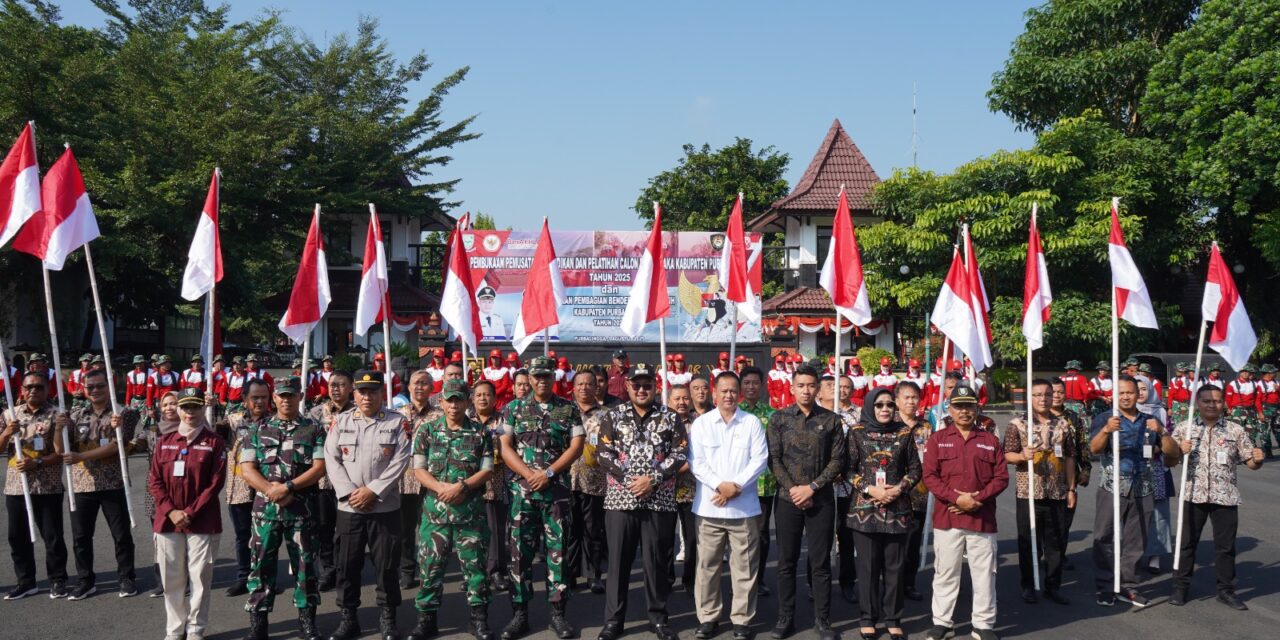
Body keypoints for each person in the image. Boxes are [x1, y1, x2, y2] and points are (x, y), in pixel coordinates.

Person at [594, 363, 688, 640]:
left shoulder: (670, 417)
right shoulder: (614, 416)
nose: (642, 389)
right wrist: (631, 480)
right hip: (621, 501)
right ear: (628, 386)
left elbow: (680, 453)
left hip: (659, 500)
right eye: (637, 384)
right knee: (618, 563)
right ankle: (613, 621)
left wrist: (652, 480)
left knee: (656, 562)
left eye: (647, 384)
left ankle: (658, 619)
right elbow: (603, 453)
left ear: (655, 387)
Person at [498, 355, 585, 640]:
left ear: (553, 377)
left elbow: (576, 446)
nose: (541, 380)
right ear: (530, 379)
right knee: (518, 556)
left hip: (556, 493)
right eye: (536, 376)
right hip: (522, 494)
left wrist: (547, 473)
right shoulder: (512, 409)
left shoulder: (569, 408)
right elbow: (505, 447)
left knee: (557, 555)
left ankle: (558, 616)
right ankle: (519, 614)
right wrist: (528, 473)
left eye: (546, 375)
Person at [325, 370, 414, 640]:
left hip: (384, 508)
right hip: (350, 508)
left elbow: (401, 461)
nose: (367, 396)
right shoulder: (340, 422)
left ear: (381, 393)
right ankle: (348, 618)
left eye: (373, 391)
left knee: (387, 566)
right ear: (354, 394)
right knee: (347, 565)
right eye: (362, 392)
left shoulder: (397, 423)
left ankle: (388, 619)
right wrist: (351, 493)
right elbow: (331, 458)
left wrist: (373, 492)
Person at [406, 379, 496, 640]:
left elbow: (487, 470)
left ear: (467, 402)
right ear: (441, 402)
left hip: (470, 514)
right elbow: (419, 469)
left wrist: (462, 487)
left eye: (459, 399)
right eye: (449, 399)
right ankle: (426, 620)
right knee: (430, 569)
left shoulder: (481, 433)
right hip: (435, 513)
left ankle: (478, 620)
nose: (454, 405)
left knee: (476, 569)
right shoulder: (427, 431)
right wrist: (441, 488)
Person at [239, 376, 327, 640]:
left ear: (300, 397)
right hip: (265, 513)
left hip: (302, 511)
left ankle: (307, 624)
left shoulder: (314, 429)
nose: (286, 400)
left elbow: (319, 468)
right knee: (260, 569)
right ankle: (259, 626)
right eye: (281, 395)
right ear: (273, 398)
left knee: (305, 568)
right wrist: (271, 490)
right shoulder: (257, 429)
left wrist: (287, 488)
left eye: (291, 395)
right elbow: (247, 468)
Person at [922, 385, 1008, 640]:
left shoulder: (990, 441)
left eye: (969, 405)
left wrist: (976, 499)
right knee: (946, 572)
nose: (964, 411)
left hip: (982, 518)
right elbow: (930, 476)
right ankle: (943, 623)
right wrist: (957, 499)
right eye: (958, 406)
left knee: (984, 574)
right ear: (949, 409)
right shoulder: (937, 439)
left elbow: (1001, 478)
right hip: (947, 518)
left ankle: (983, 625)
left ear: (976, 408)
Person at [767, 365, 845, 640]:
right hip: (788, 500)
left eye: (811, 385)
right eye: (801, 385)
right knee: (786, 562)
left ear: (819, 388)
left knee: (821, 562)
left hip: (821, 499)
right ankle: (785, 617)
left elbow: (838, 460)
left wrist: (811, 488)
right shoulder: (779, 419)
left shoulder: (832, 421)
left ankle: (823, 620)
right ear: (792, 387)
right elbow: (773, 460)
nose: (806, 390)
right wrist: (794, 490)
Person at [689, 371, 769, 640]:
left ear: (740, 393)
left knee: (744, 567)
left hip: (744, 508)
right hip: (709, 508)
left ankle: (742, 621)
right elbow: (697, 463)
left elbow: (759, 461)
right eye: (723, 391)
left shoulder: (752, 423)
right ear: (714, 393)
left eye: (733, 390)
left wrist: (734, 487)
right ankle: (708, 618)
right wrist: (719, 486)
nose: (729, 395)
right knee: (707, 566)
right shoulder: (702, 424)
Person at [1088, 375, 1180, 608]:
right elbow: (1094, 449)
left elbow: (1172, 453)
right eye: (1121, 393)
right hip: (1112, 486)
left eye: (1130, 392)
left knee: (1136, 539)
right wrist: (1107, 431)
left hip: (1143, 488)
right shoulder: (1105, 418)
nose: (1126, 396)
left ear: (1138, 394)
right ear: (1114, 395)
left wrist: (1162, 431)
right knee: (1104, 537)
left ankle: (1128, 585)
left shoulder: (1150, 421)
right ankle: (1106, 586)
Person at [1170, 385, 1265, 610]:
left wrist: (1258, 459)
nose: (1212, 405)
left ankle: (1226, 590)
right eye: (1206, 401)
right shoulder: (1185, 428)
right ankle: (1180, 588)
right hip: (1193, 495)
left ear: (1224, 403)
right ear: (1198, 403)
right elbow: (1169, 461)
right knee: (1186, 544)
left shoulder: (1235, 430)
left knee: (1226, 547)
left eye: (1217, 401)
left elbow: (1250, 464)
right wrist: (1177, 450)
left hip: (1226, 497)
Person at [148, 388, 227, 640]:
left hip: (202, 521)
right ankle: (175, 629)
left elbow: (215, 483)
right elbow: (154, 480)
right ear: (178, 410)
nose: (190, 412)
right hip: (168, 521)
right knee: (172, 579)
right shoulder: (164, 441)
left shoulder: (214, 442)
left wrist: (190, 512)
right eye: (185, 407)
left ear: (203, 408)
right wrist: (171, 511)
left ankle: (195, 629)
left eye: (195, 407)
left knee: (200, 579)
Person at [846, 387, 921, 640]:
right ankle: (868, 618)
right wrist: (870, 490)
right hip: (864, 511)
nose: (885, 409)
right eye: (879, 405)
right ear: (870, 406)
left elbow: (914, 469)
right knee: (867, 568)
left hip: (898, 510)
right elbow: (848, 469)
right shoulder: (857, 433)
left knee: (895, 568)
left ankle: (893, 618)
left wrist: (899, 488)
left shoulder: (904, 432)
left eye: (890, 404)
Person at [62, 368, 140, 599]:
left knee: (121, 535)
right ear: (84, 390)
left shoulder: (123, 412)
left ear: (110, 386)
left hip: (114, 483)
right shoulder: (76, 415)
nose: (95, 390)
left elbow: (117, 446)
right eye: (91, 387)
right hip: (82, 485)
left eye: (100, 385)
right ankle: (85, 580)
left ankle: (126, 578)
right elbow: (64, 449)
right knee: (81, 537)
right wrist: (59, 427)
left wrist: (82, 457)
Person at [1002, 379, 1076, 605]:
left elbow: (1070, 457)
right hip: (1028, 493)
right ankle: (1028, 584)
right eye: (1037, 394)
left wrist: (1071, 488)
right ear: (1030, 398)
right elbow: (1006, 455)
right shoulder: (1018, 424)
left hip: (1057, 492)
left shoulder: (1064, 424)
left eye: (1046, 394)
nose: (1042, 398)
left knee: (1055, 542)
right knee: (1028, 541)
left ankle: (1053, 586)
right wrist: (1022, 456)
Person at [1, 371, 70, 599]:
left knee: (52, 536)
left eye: (39, 387)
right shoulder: (9, 414)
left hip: (47, 486)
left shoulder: (56, 415)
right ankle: (26, 581)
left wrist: (37, 462)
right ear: (21, 390)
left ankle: (58, 579)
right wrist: (6, 434)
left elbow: (60, 453)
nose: (33, 390)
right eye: (29, 387)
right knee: (17, 537)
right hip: (16, 487)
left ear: (46, 390)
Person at [308, 369, 355, 592]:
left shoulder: (359, 411)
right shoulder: (316, 413)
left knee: (347, 527)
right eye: (332, 384)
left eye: (341, 384)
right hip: (323, 480)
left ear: (351, 387)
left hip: (351, 478)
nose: (336, 389)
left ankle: (345, 568)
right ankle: (328, 568)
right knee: (323, 525)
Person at [222, 378, 270, 597]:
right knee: (243, 535)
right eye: (255, 397)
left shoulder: (275, 421)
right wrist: (210, 407)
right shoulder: (232, 421)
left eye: (264, 397)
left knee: (267, 536)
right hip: (239, 488)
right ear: (244, 399)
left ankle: (266, 577)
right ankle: (243, 576)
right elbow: (213, 434)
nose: (259, 402)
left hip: (266, 487)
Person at [568, 370, 608, 594]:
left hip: (596, 482)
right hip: (568, 480)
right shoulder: (565, 412)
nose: (584, 388)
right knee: (570, 530)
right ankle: (570, 572)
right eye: (580, 384)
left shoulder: (607, 415)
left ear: (596, 387)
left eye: (589, 384)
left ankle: (594, 575)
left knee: (593, 530)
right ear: (574, 388)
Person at [471, 380, 513, 594]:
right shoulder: (466, 421)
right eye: (478, 395)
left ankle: (497, 570)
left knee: (495, 529)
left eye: (487, 395)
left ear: (495, 399)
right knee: (472, 531)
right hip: (470, 485)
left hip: (495, 483)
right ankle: (475, 572)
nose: (482, 398)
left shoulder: (503, 422)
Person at [737, 365, 776, 597]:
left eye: (755, 383)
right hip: (738, 484)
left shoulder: (772, 415)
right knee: (737, 533)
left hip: (764, 484)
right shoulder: (733, 411)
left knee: (761, 534)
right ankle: (739, 578)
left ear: (762, 386)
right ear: (741, 386)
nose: (751, 387)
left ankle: (758, 578)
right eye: (747, 383)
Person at [399, 370, 439, 590]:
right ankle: (406, 570)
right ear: (409, 387)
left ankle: (429, 569)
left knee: (429, 528)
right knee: (405, 530)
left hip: (430, 479)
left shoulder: (440, 415)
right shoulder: (397, 414)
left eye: (424, 383)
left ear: (431, 388)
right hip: (404, 480)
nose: (419, 387)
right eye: (415, 383)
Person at [1050, 377, 1091, 571]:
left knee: (1065, 519)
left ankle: (1060, 555)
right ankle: (1044, 555)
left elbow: (1083, 444)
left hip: (1069, 477)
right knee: (1045, 521)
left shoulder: (1073, 418)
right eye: (1053, 392)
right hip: (1045, 476)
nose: (1056, 396)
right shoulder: (1036, 417)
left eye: (1060, 392)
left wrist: (1086, 470)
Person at [896, 382, 930, 602]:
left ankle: (909, 583)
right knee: (892, 543)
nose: (911, 402)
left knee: (913, 541)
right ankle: (891, 584)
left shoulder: (926, 426)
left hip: (919, 493)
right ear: (897, 400)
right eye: (906, 398)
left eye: (914, 398)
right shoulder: (889, 423)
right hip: (893, 493)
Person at [668, 384, 698, 593]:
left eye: (685, 398)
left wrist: (678, 468)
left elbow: (701, 455)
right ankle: (666, 578)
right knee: (664, 537)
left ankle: (690, 579)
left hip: (690, 488)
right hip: (665, 487)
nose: (681, 403)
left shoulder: (700, 424)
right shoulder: (661, 422)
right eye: (677, 398)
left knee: (692, 537)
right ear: (669, 401)